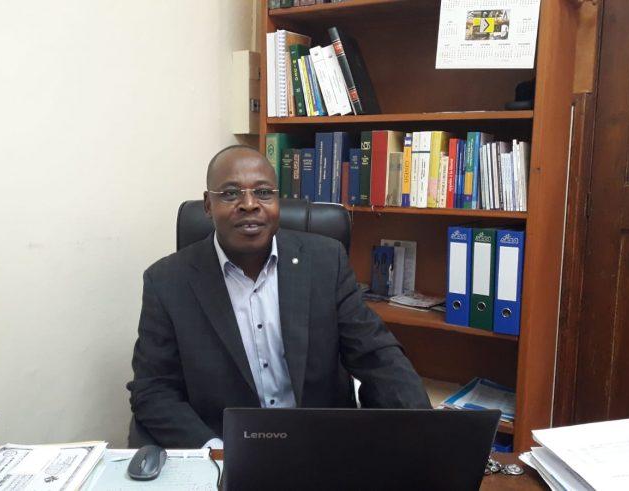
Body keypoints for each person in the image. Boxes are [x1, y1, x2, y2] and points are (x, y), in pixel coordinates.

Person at [127, 145, 430, 448]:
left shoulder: (326, 262)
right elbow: (153, 390)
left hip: (320, 444)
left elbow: (376, 355)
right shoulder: (167, 282)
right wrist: (215, 451)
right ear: (208, 205)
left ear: (277, 200)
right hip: (226, 448)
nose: (249, 205)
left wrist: (427, 429)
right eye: (230, 194)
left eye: (263, 192)